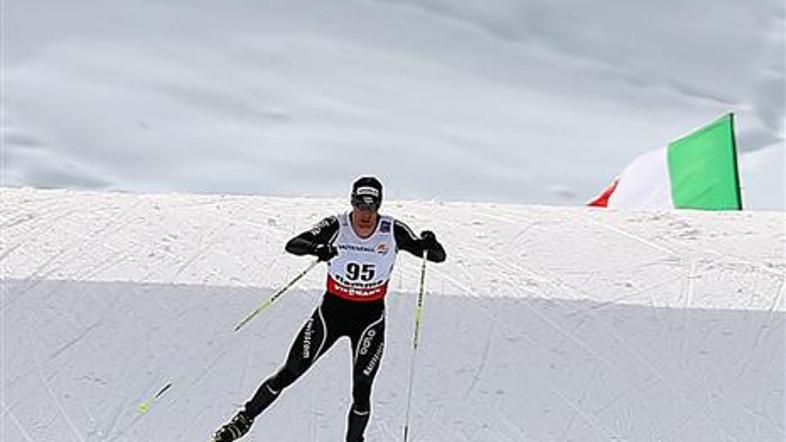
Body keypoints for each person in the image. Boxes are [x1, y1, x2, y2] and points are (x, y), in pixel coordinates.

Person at [211, 176, 446, 442]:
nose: (365, 214)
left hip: (369, 319)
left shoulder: (393, 229)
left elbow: (436, 256)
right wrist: (317, 248)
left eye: (371, 207)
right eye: (360, 205)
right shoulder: (337, 225)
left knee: (361, 390)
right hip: (332, 313)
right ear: (352, 203)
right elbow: (294, 244)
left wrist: (429, 242)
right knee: (290, 371)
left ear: (379, 206)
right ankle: (243, 420)